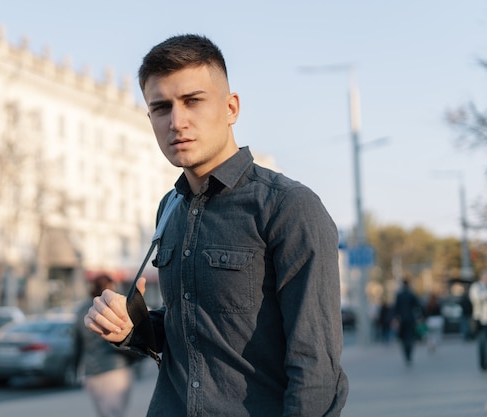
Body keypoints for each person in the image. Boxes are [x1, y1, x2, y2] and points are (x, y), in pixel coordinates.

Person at [84, 34, 348, 416]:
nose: (177, 121)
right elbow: (188, 328)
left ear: (231, 107)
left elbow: (315, 365)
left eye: (192, 101)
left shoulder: (289, 207)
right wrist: (131, 327)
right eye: (161, 108)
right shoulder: (169, 208)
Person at [76, 274, 135, 417]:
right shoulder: (114, 307)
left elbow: (77, 343)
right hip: (115, 369)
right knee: (116, 413)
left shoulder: (82, 310)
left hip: (91, 372)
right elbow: (123, 338)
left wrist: (76, 369)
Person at [469, 268, 487, 370]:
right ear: (483, 277)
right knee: (483, 343)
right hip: (482, 319)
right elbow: (476, 299)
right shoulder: (477, 287)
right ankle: (483, 364)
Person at [392, 279, 422, 366]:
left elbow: (396, 308)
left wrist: (396, 318)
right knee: (410, 337)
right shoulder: (411, 294)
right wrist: (420, 317)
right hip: (410, 319)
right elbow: (417, 306)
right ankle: (409, 354)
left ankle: (407, 355)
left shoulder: (399, 295)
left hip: (402, 320)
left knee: (404, 338)